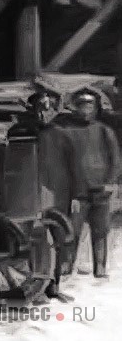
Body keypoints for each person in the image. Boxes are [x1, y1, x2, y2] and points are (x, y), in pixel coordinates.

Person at [61, 87, 121, 279]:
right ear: (75, 108)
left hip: (101, 191)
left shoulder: (105, 131)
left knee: (101, 231)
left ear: (95, 108)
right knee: (73, 231)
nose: (86, 110)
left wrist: (110, 182)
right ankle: (67, 266)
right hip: (77, 193)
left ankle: (100, 267)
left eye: (89, 105)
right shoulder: (68, 133)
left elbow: (116, 160)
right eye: (82, 106)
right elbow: (63, 162)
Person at [27, 89, 80, 299]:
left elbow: (75, 168)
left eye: (48, 109)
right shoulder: (25, 132)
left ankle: (54, 286)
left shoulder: (63, 136)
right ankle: (36, 284)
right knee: (34, 240)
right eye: (40, 109)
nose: (44, 114)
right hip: (31, 193)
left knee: (58, 240)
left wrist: (76, 196)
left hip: (59, 194)